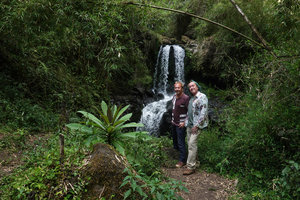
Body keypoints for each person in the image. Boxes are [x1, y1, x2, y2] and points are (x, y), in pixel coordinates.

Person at [183, 80, 208, 175]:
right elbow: (189, 112)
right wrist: (185, 122)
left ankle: (190, 167)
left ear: (197, 86)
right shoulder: (192, 98)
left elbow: (203, 112)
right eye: (189, 87)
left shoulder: (202, 97)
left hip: (196, 126)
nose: (191, 88)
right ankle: (195, 162)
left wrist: (197, 125)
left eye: (193, 86)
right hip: (189, 125)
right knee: (191, 144)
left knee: (192, 144)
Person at [171, 81, 190, 168]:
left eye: (178, 87)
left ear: (182, 88)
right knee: (175, 140)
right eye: (175, 88)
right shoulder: (174, 96)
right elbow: (174, 109)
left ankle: (182, 160)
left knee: (180, 142)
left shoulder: (186, 98)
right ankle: (179, 154)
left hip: (180, 124)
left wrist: (184, 122)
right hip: (174, 122)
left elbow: (189, 112)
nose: (177, 89)